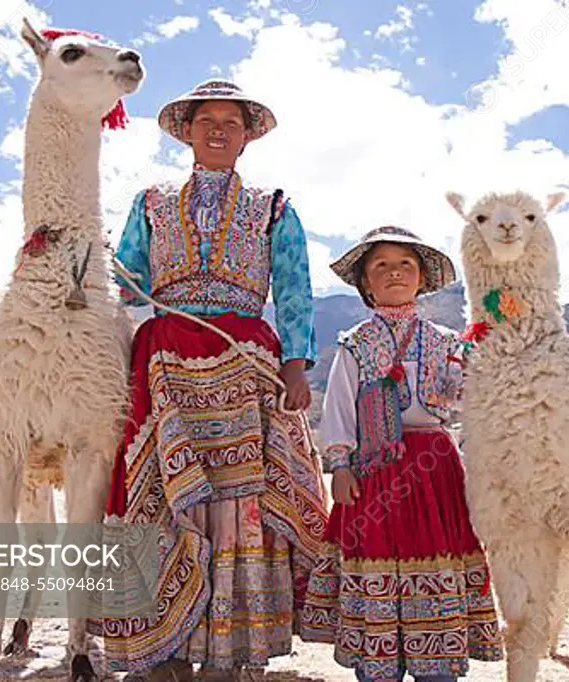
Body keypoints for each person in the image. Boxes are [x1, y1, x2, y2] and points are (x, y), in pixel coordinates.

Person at [100, 79, 328, 682]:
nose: (220, 131)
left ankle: (233, 646)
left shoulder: (274, 208)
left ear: (248, 137)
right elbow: (126, 282)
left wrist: (297, 364)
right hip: (163, 361)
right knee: (156, 492)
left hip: (247, 362)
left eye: (232, 123)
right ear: (189, 132)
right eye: (209, 122)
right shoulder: (149, 203)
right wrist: (97, 261)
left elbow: (295, 289)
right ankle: (164, 647)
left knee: (238, 499)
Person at [299, 226, 504, 682]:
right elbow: (338, 405)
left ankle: (436, 666)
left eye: (405, 264)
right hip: (373, 469)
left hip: (434, 469)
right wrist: (340, 463)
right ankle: (379, 665)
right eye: (381, 266)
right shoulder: (355, 343)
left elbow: (457, 397)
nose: (394, 272)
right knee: (376, 553)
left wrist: (477, 357)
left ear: (422, 277)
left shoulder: (445, 341)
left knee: (438, 554)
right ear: (366, 283)